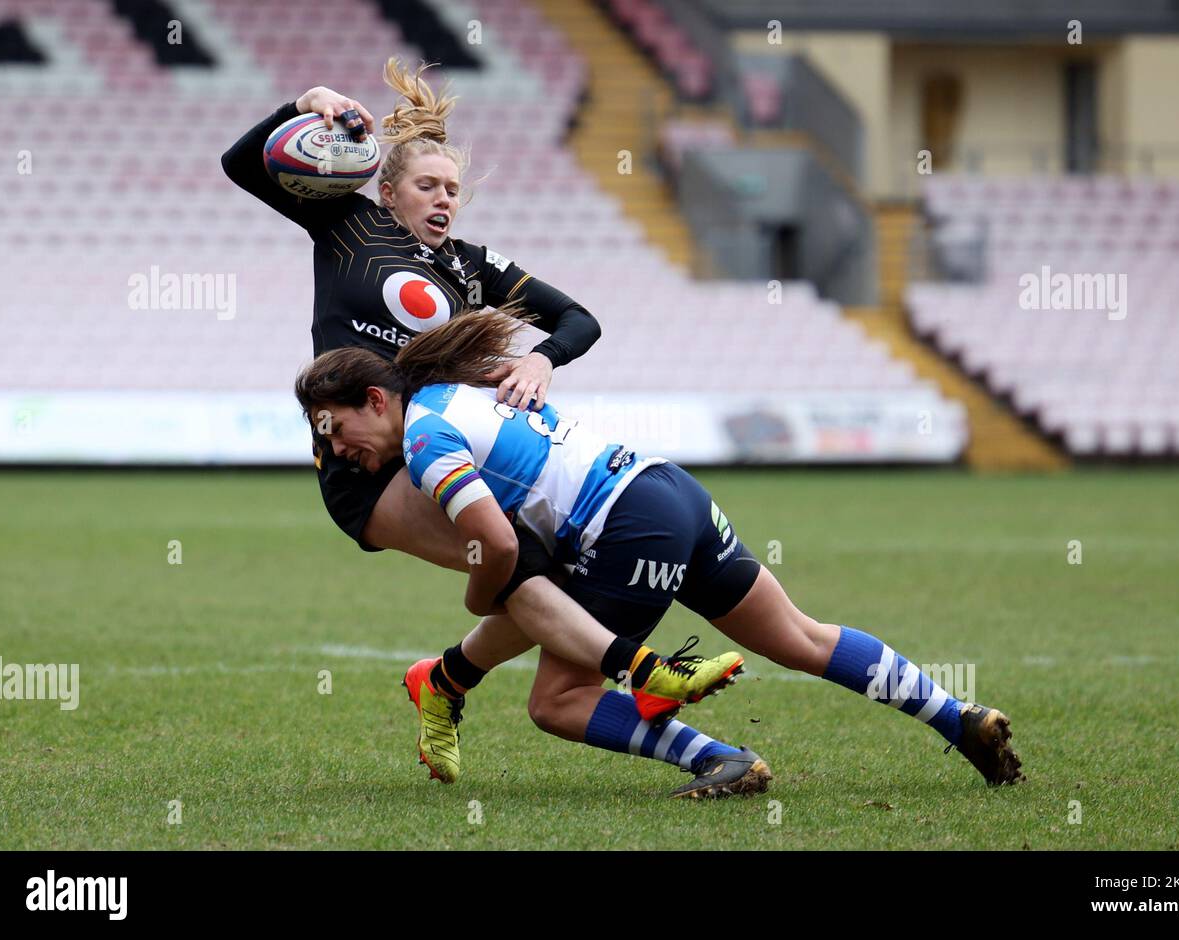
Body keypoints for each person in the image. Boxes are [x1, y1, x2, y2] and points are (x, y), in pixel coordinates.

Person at [221, 60, 741, 785]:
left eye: (454, 190)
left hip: (442, 443)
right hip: (365, 462)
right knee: (516, 561)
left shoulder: (470, 268)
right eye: (428, 186)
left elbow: (578, 318)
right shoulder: (344, 221)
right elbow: (240, 163)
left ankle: (446, 681)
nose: (444, 200)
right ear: (388, 190)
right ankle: (647, 675)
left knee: (541, 569)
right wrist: (304, 99)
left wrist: (543, 362)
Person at [294, 311, 1027, 792]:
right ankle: (955, 715)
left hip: (624, 528)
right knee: (802, 636)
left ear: (376, 400)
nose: (336, 451)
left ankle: (718, 760)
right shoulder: (458, 392)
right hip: (666, 487)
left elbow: (497, 544)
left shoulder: (424, 440)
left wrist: (481, 595)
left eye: (335, 429)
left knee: (557, 701)